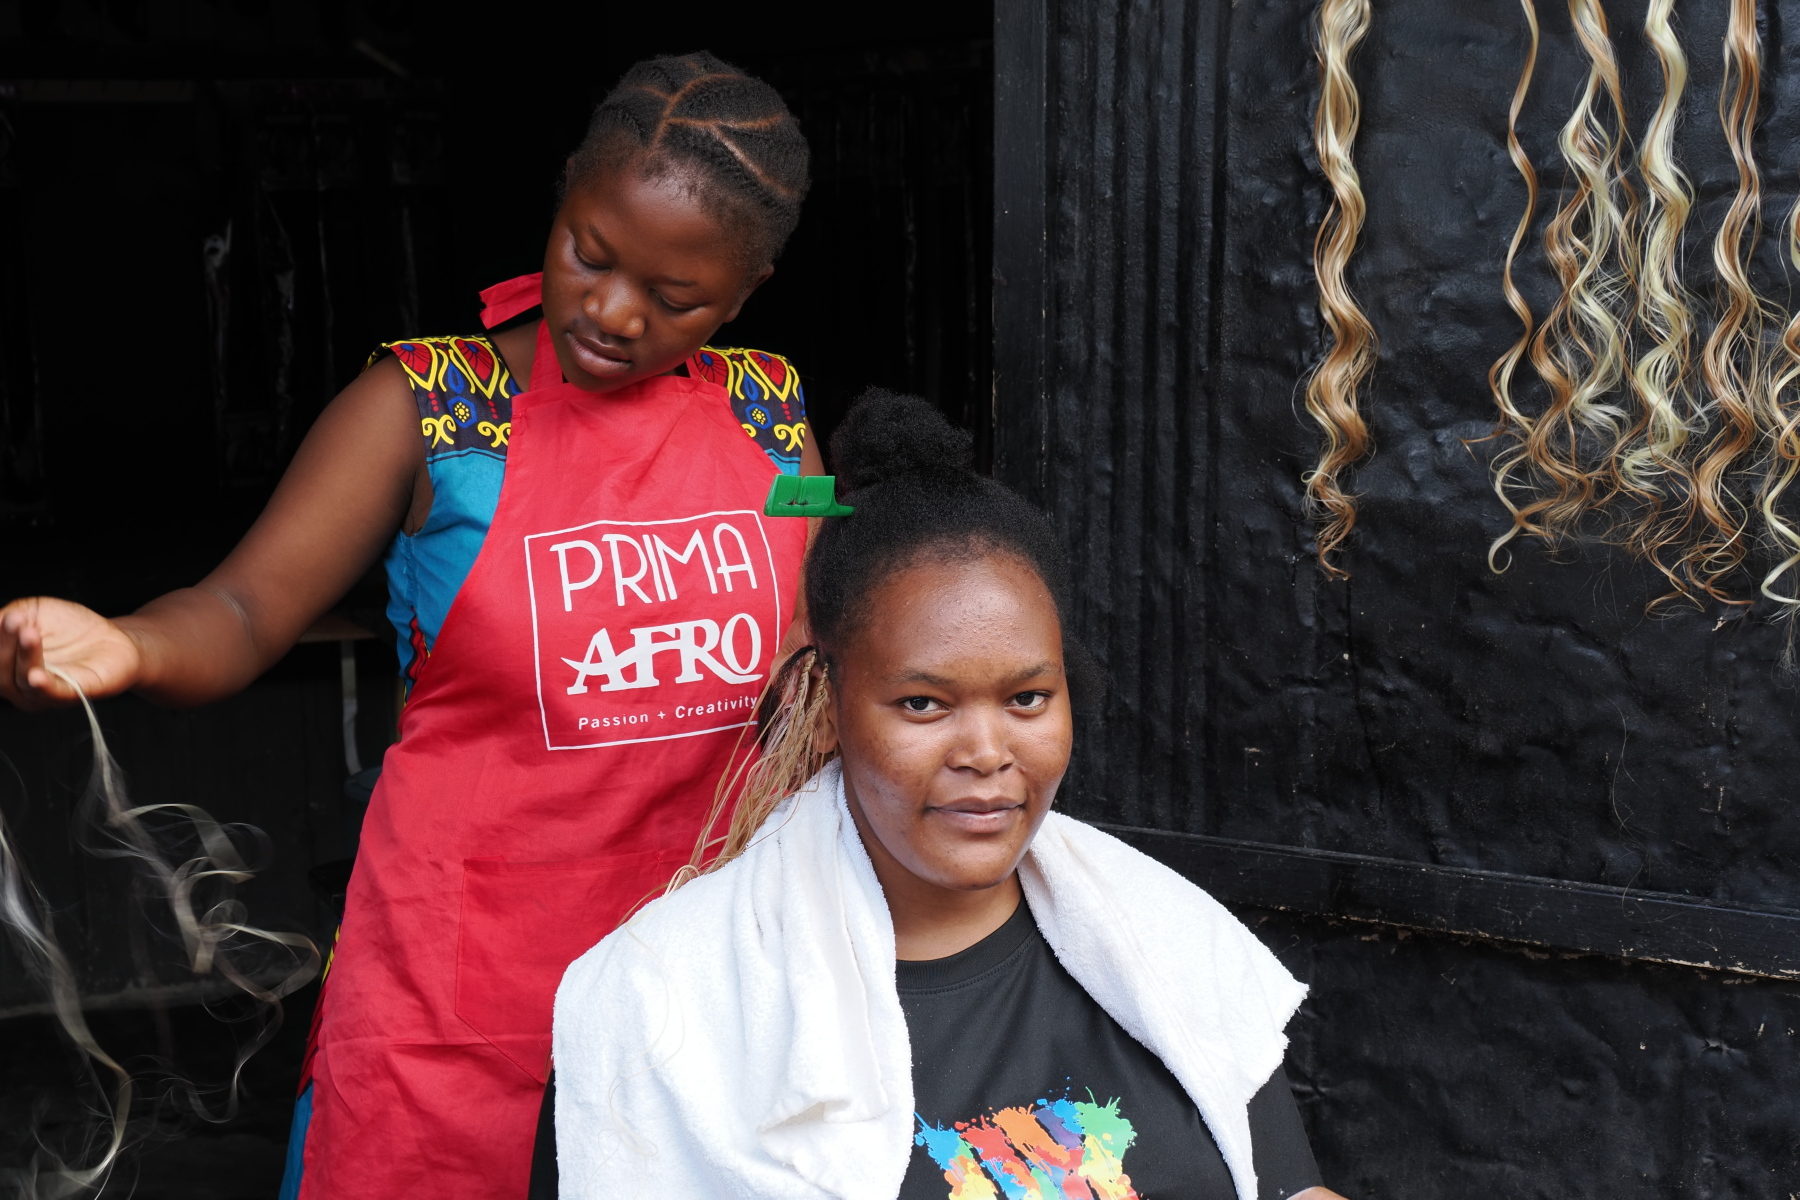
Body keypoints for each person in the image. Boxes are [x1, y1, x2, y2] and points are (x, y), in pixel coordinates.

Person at [0, 52, 821, 1200]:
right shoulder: (428, 407)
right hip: (457, 998)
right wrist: (132, 644)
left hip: (699, 988)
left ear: (743, 294)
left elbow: (820, 637)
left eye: (675, 299)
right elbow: (242, 608)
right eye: (591, 253)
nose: (613, 310)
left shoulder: (768, 415)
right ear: (562, 201)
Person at [546, 391, 1348, 1200]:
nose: (988, 754)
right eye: (923, 704)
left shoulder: (1165, 939)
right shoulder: (665, 1007)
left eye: (1028, 698)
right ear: (825, 707)